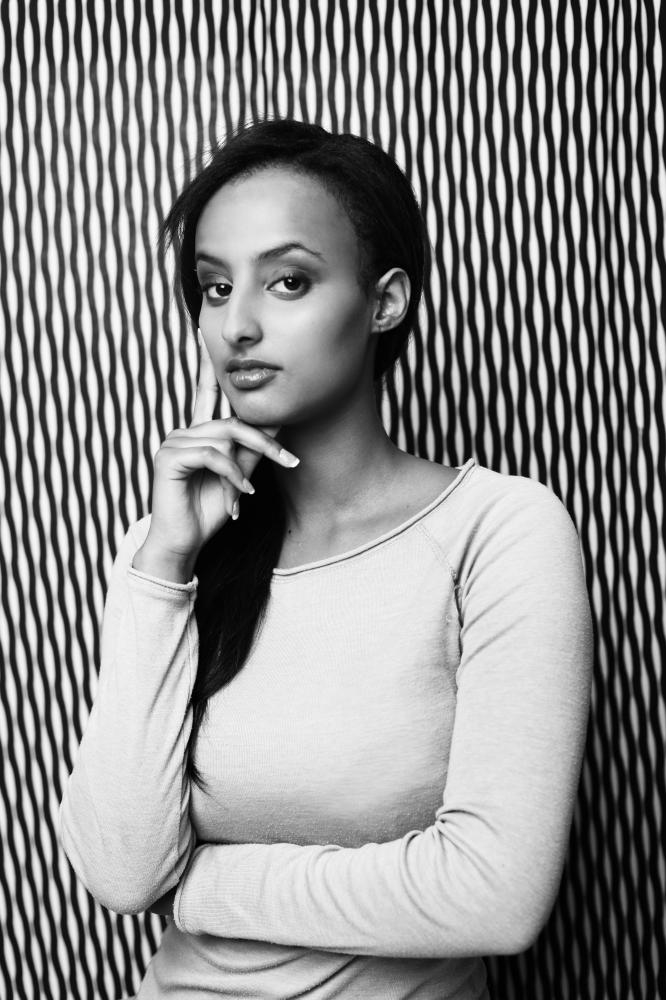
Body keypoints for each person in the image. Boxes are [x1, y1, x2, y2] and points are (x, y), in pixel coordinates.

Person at [58, 118, 593, 999]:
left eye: (288, 281)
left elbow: (492, 897)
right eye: (215, 286)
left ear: (386, 302)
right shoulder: (170, 547)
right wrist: (162, 563)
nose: (237, 326)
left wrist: (195, 886)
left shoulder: (498, 531)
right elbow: (121, 872)